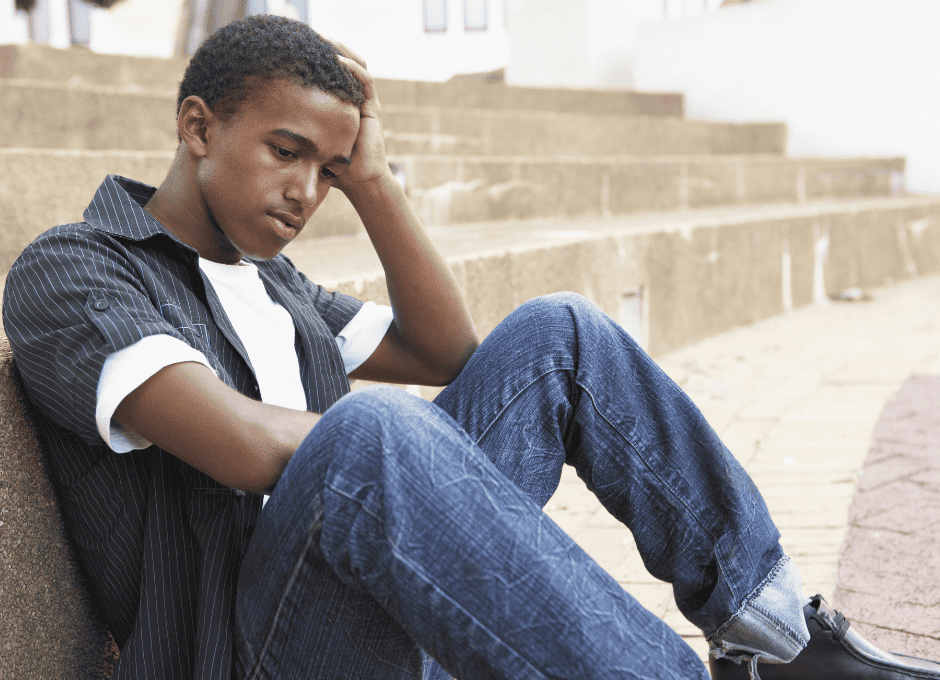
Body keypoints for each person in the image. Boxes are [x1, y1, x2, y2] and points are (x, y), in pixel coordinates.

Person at [3, 15, 938, 680]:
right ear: (197, 125)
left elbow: (450, 349)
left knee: (557, 334)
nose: (303, 192)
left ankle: (771, 634)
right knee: (367, 434)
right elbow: (247, 446)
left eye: (324, 170)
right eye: (284, 151)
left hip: (377, 591)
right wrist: (428, 472)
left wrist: (372, 182)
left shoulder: (275, 283)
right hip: (258, 651)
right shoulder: (78, 272)